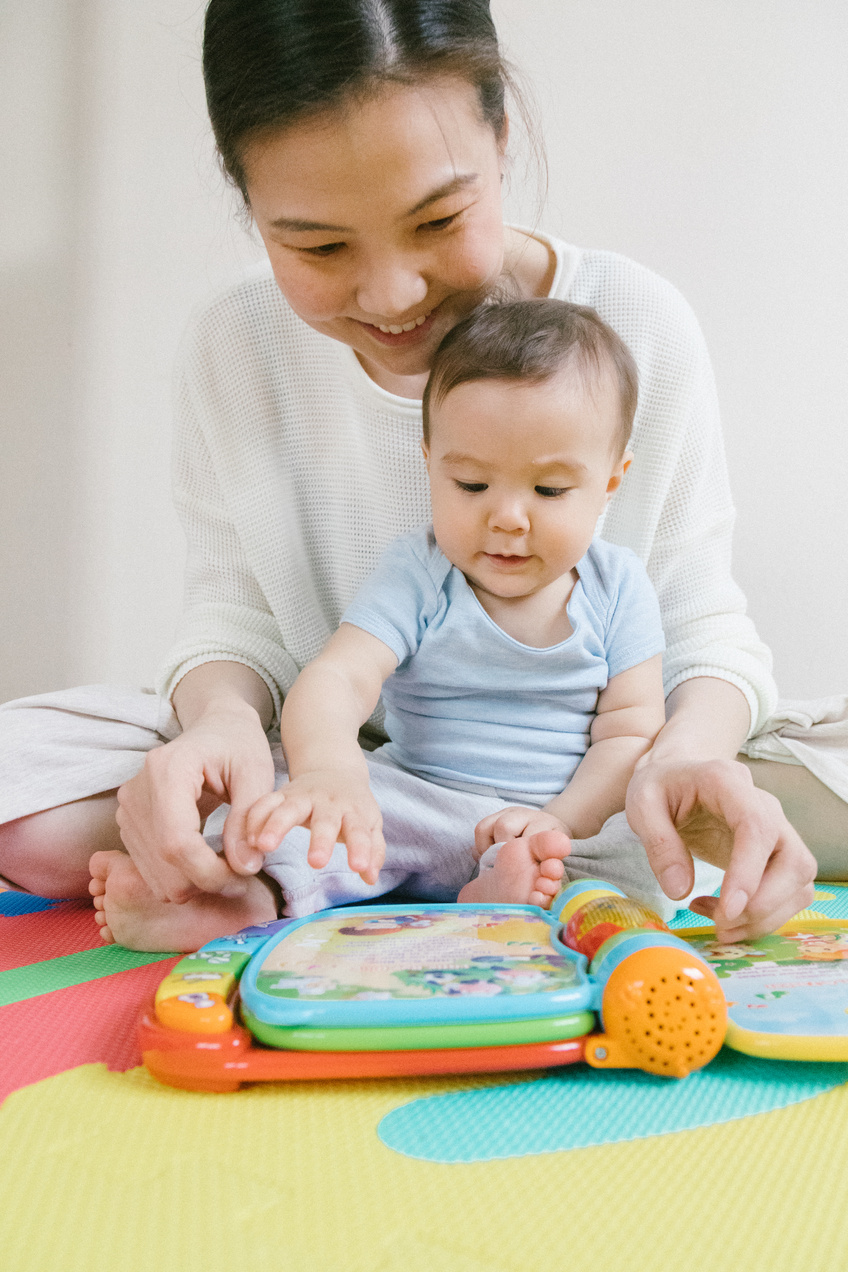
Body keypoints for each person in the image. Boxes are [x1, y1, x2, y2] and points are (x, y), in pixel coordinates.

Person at [0, 0, 839, 953]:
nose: (393, 295)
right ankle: (283, 842)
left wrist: (687, 760)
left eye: (439, 218)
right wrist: (224, 729)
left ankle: (679, 811)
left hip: (603, 769)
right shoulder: (237, 347)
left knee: (741, 775)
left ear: (502, 136)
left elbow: (697, 629)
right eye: (319, 245)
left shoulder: (636, 324)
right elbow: (236, 619)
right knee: (20, 784)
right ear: (244, 200)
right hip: (351, 764)